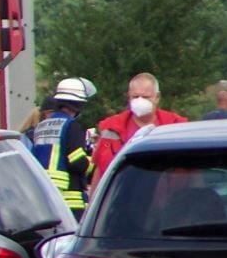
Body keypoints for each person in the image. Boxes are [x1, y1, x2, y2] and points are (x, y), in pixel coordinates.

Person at [91, 72, 188, 190]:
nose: (140, 101)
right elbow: (100, 170)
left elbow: (190, 171)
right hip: (120, 197)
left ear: (157, 97)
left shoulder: (175, 126)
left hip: (165, 198)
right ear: (129, 96)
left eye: (146, 97)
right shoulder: (112, 127)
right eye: (135, 97)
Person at [30, 78, 95, 219]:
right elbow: (76, 162)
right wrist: (94, 164)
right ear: (79, 104)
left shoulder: (41, 126)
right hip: (68, 196)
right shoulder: (72, 126)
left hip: (42, 193)